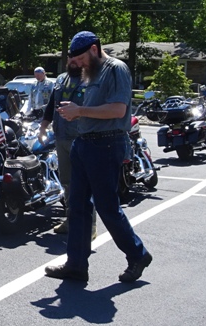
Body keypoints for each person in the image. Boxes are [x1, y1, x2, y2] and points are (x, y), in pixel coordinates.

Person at [45, 31, 153, 284]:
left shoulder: (116, 69)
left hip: (106, 144)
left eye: (81, 58)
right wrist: (74, 113)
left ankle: (138, 255)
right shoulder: (90, 72)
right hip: (83, 142)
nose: (78, 64)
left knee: (106, 206)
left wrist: (80, 110)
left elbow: (118, 109)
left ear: (94, 49)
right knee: (77, 206)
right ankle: (76, 265)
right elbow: (92, 108)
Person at [37, 57, 97, 239]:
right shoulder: (61, 79)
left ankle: (89, 225)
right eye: (71, 58)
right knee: (67, 182)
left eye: (77, 58)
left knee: (85, 183)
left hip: (82, 137)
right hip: (61, 137)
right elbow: (51, 106)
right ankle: (71, 220)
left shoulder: (92, 79)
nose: (73, 61)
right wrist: (43, 126)